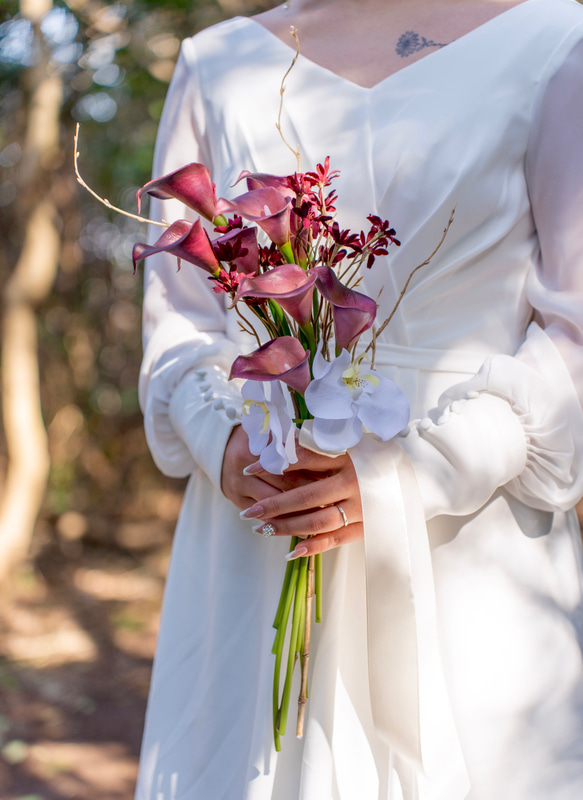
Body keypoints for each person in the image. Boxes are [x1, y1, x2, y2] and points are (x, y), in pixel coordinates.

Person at [134, 0, 583, 797]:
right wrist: (227, 442)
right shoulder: (217, 63)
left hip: (469, 530)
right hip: (260, 510)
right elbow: (181, 317)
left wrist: (426, 472)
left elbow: (571, 330)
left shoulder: (556, 40)